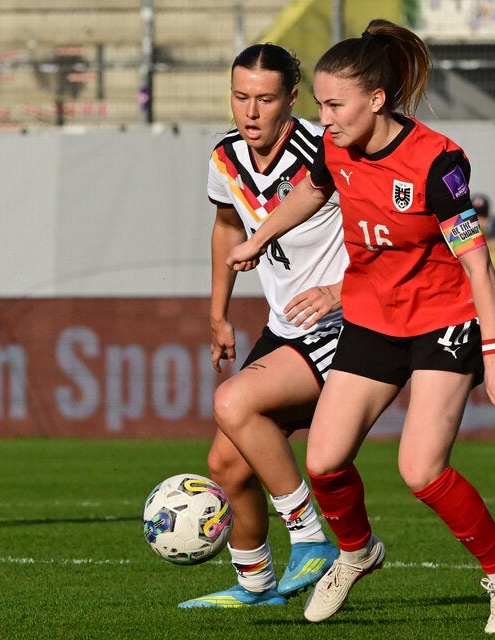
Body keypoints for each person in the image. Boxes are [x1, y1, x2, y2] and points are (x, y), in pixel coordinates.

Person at [227, 20, 495, 634]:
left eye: (335, 105)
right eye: (320, 104)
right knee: (324, 460)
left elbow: (477, 261)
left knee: (420, 470)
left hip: (443, 323)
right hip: (371, 319)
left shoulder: (437, 162)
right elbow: (312, 192)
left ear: (377, 100)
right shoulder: (334, 147)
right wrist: (259, 237)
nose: (325, 118)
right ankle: (357, 551)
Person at [178, 43, 346, 608]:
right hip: (284, 326)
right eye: (240, 96)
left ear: (291, 99)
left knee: (232, 402)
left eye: (265, 99)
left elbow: (390, 237)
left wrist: (341, 292)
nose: (250, 111)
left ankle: (310, 537)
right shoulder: (225, 157)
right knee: (225, 462)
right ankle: (256, 585)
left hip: (340, 326)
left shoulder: (326, 152)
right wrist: (218, 313)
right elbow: (227, 225)